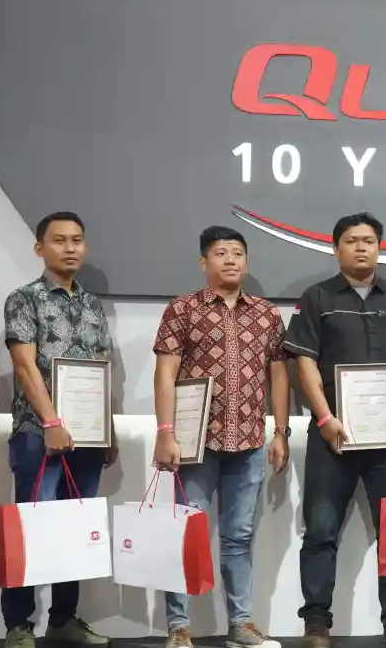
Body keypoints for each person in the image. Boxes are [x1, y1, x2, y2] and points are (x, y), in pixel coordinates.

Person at [284, 213, 386, 648]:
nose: (361, 247)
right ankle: (317, 621)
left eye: (369, 241)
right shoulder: (317, 298)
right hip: (332, 436)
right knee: (320, 531)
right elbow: (304, 363)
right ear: (337, 249)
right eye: (352, 241)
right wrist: (324, 418)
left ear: (379, 248)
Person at [151, 226, 291, 648]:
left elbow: (279, 375)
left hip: (249, 441)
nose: (231, 260)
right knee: (186, 533)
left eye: (237, 253)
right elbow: (165, 374)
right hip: (194, 444)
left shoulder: (267, 314)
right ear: (203, 262)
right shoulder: (183, 308)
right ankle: (178, 625)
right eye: (220, 253)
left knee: (239, 537)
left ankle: (241, 624)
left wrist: (280, 432)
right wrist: (165, 433)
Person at [1, 212, 116, 648]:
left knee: (76, 529)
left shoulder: (92, 305)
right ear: (39, 248)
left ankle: (63, 620)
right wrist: (51, 421)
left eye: (77, 240)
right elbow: (24, 365)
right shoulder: (24, 299)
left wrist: (108, 428)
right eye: (59, 240)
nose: (70, 248)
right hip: (38, 432)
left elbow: (101, 369)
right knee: (32, 528)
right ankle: (18, 625)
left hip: (88, 437)